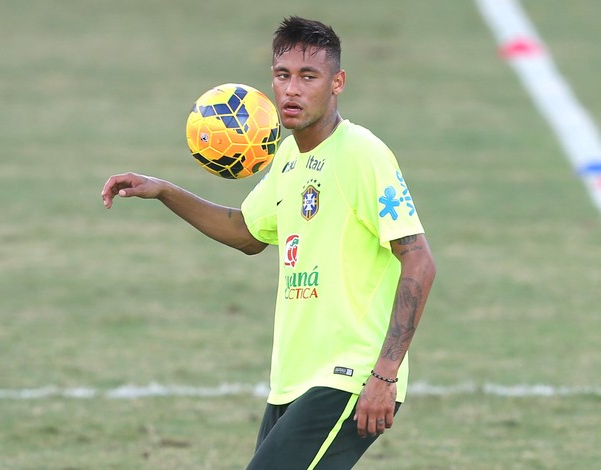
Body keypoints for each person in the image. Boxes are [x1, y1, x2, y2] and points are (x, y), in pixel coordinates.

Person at [101, 16, 435, 470]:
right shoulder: (287, 157)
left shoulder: (362, 154)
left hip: (349, 377)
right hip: (292, 379)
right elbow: (247, 232)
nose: (292, 90)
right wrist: (164, 190)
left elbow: (418, 262)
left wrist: (384, 374)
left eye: (308, 77)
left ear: (337, 83)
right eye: (283, 76)